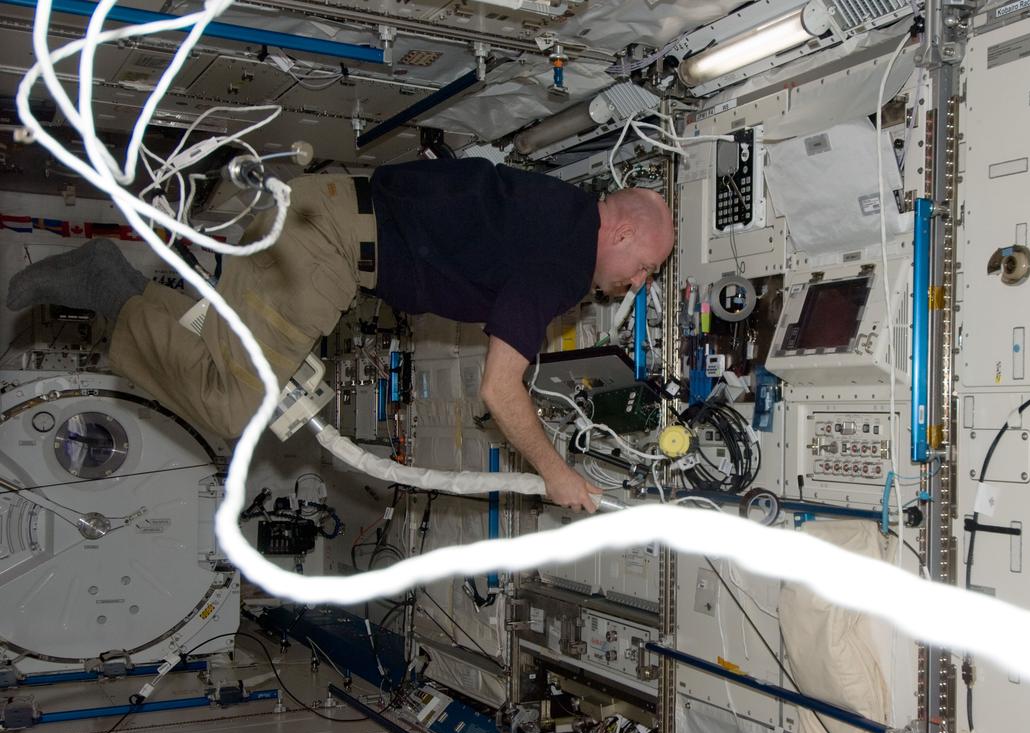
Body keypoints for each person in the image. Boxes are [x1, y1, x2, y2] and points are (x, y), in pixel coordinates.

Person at [5, 158, 674, 512]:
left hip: (323, 215)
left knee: (232, 365)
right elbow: (500, 390)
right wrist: (558, 475)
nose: (636, 284)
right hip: (326, 245)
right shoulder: (563, 259)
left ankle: (151, 304)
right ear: (620, 233)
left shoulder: (552, 208)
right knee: (237, 406)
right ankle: (110, 287)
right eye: (643, 268)